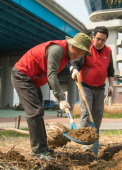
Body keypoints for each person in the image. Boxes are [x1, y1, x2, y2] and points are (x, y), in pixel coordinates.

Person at [11, 33, 92, 161]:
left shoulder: (67, 56)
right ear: (71, 44)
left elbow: (49, 74)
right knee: (34, 111)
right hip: (22, 75)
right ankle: (38, 151)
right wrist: (61, 98)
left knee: (39, 111)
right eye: (78, 49)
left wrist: (56, 93)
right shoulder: (57, 50)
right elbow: (52, 75)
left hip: (33, 79)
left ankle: (43, 147)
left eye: (82, 53)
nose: (79, 54)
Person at [70, 26, 114, 151]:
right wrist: (74, 71)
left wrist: (111, 85)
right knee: (86, 113)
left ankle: (94, 139)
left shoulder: (109, 51)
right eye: (98, 39)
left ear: (106, 40)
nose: (100, 42)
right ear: (93, 37)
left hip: (100, 88)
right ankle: (84, 143)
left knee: (98, 115)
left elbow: (110, 70)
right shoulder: (87, 48)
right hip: (86, 86)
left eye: (103, 40)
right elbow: (76, 62)